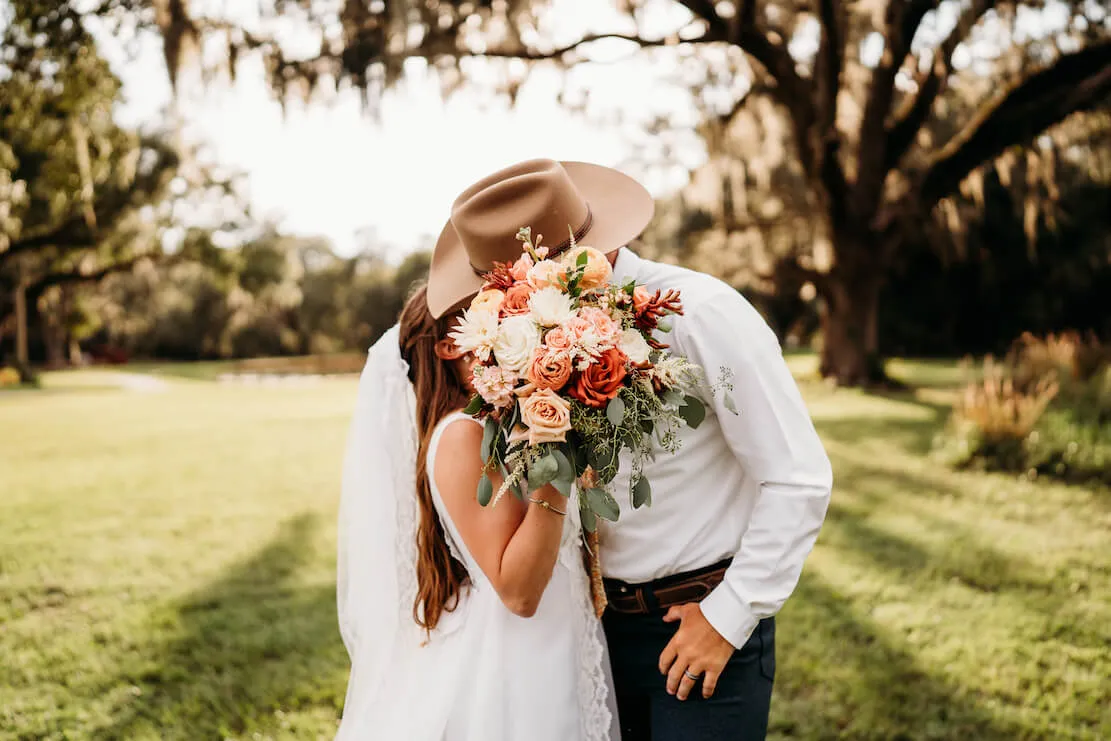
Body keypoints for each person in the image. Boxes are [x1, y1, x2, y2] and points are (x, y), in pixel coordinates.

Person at [335, 159, 656, 740]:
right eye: (486, 319)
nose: (511, 324)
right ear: (448, 350)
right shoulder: (459, 437)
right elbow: (518, 590)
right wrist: (560, 459)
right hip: (521, 669)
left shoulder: (494, 424)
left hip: (558, 646)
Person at [597, 245, 834, 739]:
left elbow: (797, 476)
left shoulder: (700, 313)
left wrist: (728, 616)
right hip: (597, 636)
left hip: (701, 624)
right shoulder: (531, 338)